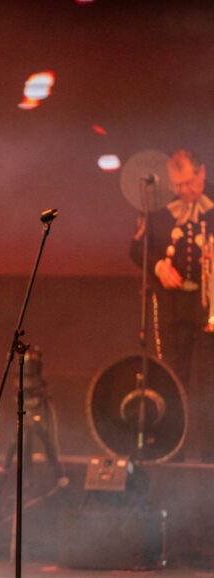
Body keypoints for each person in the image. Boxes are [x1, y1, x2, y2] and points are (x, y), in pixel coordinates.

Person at [130, 148, 214, 462]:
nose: (184, 191)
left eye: (190, 183)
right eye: (178, 185)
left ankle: (210, 452)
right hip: (172, 304)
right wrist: (158, 266)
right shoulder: (158, 210)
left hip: (209, 304)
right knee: (173, 375)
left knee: (209, 377)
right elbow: (136, 249)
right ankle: (173, 448)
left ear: (202, 173)